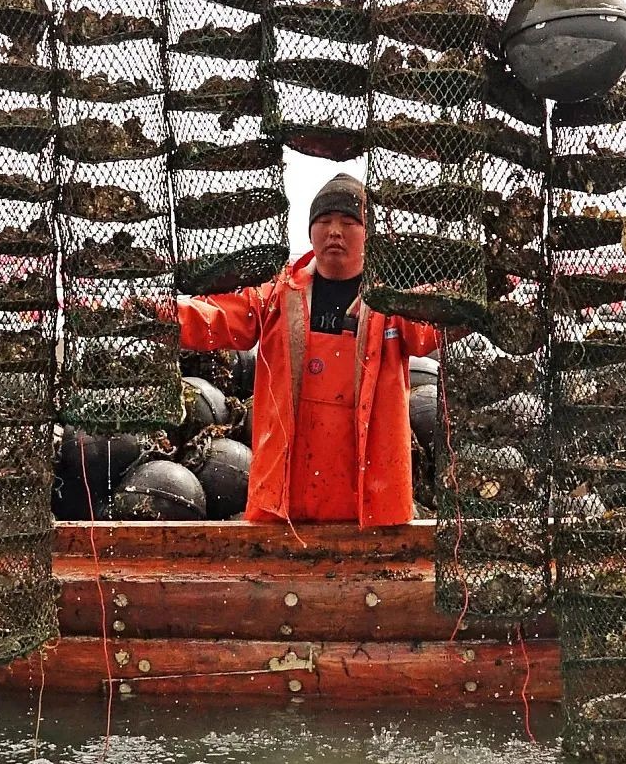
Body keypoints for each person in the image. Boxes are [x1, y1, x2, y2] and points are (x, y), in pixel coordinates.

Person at [177, 173, 443, 528]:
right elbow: (219, 318)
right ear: (310, 231)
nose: (335, 231)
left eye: (349, 222)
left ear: (370, 235)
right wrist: (161, 315)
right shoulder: (277, 294)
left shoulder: (393, 303)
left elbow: (434, 326)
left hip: (371, 497)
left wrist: (494, 293)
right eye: (324, 221)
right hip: (286, 493)